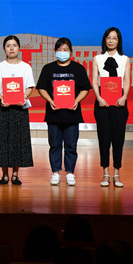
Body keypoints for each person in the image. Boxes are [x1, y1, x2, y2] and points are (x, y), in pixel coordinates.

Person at [36, 37, 92, 186]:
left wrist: (76, 101)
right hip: (53, 114)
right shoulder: (48, 68)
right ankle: (55, 172)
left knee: (71, 145)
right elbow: (41, 88)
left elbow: (85, 89)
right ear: (55, 51)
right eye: (59, 50)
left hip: (72, 114)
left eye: (65, 49)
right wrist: (50, 100)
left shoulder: (78, 69)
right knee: (54, 144)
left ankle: (70, 173)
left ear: (71, 51)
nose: (62, 52)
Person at [0, 35, 35, 185]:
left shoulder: (25, 67)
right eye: (8, 46)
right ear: (4, 49)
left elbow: (30, 87)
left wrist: (23, 97)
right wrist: (2, 98)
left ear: (19, 48)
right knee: (2, 140)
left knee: (18, 140)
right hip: (3, 107)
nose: (11, 48)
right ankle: (4, 175)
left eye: (14, 45)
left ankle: (15, 174)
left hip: (20, 108)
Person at [92, 27, 131, 188]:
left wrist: (124, 97)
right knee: (103, 139)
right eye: (108, 37)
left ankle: (117, 173)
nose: (111, 40)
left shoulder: (125, 59)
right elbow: (94, 81)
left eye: (114, 38)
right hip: (102, 102)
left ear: (119, 41)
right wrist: (99, 98)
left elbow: (126, 81)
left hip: (119, 102)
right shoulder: (97, 58)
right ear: (104, 39)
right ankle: (105, 173)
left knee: (118, 139)